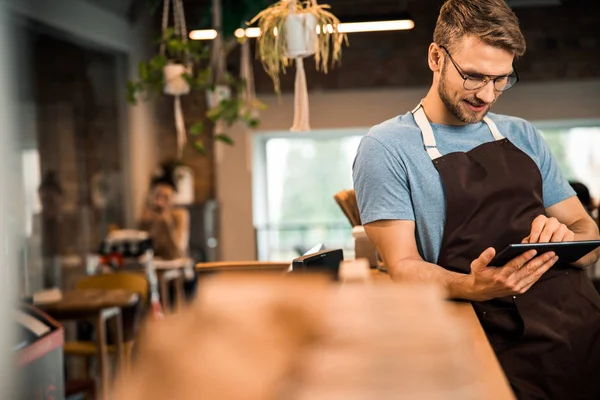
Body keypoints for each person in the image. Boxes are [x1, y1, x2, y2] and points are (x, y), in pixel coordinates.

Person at [352, 0, 600, 398]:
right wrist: (473, 285)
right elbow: (402, 267)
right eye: (474, 77)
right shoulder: (386, 146)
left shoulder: (522, 134)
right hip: (488, 342)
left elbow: (589, 237)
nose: (487, 94)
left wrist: (565, 240)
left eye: (501, 80)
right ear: (436, 57)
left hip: (582, 331)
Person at [139, 175, 190, 260]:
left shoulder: (180, 215)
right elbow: (145, 248)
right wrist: (155, 221)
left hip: (175, 263)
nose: (161, 201)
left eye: (166, 197)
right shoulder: (147, 216)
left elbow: (178, 249)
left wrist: (166, 219)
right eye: (157, 196)